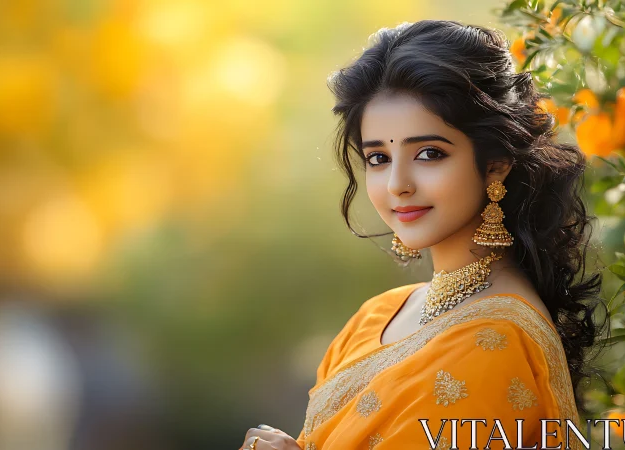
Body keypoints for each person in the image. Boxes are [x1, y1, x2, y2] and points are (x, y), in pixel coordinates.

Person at [240, 19, 605, 450]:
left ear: (496, 163)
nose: (397, 183)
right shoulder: (377, 316)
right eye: (378, 157)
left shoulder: (498, 338)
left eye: (429, 153)